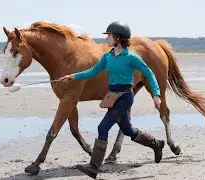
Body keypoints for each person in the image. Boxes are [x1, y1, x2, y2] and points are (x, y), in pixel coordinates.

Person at [58, 21, 165, 179]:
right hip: (112, 97)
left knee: (103, 127)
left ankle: (94, 167)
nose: (106, 38)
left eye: (109, 35)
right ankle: (156, 144)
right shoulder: (107, 57)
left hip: (125, 97)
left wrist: (156, 95)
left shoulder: (131, 58)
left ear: (118, 38)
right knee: (128, 130)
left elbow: (149, 74)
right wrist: (72, 76)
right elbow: (93, 72)